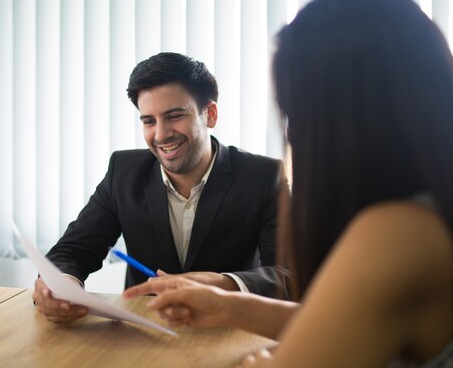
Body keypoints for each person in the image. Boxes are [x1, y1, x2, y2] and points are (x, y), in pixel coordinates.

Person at [123, 0, 453, 368]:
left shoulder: (396, 234)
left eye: (295, 113)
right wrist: (229, 306)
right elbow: (346, 321)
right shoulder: (443, 207)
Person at [33, 52, 292, 324]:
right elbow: (71, 251)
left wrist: (222, 284)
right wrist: (60, 286)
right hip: (147, 330)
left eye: (174, 116)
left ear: (210, 114)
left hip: (230, 329)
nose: (161, 134)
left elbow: (289, 275)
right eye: (149, 121)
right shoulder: (123, 171)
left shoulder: (263, 176)